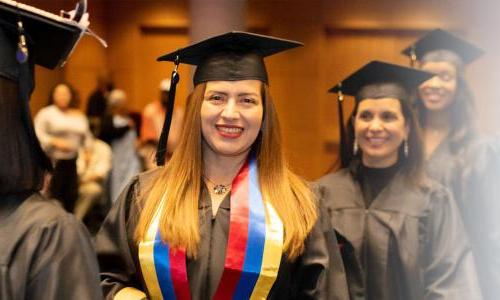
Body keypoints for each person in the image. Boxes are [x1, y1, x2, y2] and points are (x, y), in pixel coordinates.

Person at [96, 31, 345, 299]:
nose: (230, 113)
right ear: (196, 108)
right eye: (217, 97)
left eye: (247, 100)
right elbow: (103, 279)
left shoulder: (300, 204)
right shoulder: (144, 195)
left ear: (265, 114)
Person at [318, 61, 482, 299]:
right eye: (365, 116)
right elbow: (309, 281)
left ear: (406, 128)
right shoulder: (323, 194)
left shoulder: (433, 199)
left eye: (388, 117)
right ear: (354, 125)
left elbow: (452, 284)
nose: (375, 126)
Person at [0, 1, 103, 299]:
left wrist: (85, 158)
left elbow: (87, 141)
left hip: (67, 165)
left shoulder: (48, 235)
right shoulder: (48, 117)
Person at [402, 28, 500, 300]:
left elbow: (491, 229)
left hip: (465, 268)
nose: (434, 84)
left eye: (445, 77)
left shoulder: (480, 150)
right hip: (408, 262)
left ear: (459, 86)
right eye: (426, 76)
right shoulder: (403, 142)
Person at [34, 82, 92, 212]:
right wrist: (53, 141)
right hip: (53, 162)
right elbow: (37, 134)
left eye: (65, 94)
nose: (62, 97)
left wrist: (88, 150)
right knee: (53, 198)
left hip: (72, 162)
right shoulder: (46, 113)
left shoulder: (78, 115)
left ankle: (68, 227)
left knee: (71, 197)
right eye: (59, 94)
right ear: (53, 95)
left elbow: (87, 136)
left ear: (71, 96)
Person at [100, 89, 142, 202]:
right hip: (117, 156)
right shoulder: (109, 119)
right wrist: (126, 127)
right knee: (117, 183)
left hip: (131, 156)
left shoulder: (129, 118)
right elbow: (109, 134)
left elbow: (135, 136)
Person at [139, 78, 184, 169]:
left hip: (174, 156)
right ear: (161, 93)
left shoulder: (179, 112)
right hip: (154, 154)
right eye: (165, 93)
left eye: (170, 93)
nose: (167, 96)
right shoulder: (150, 110)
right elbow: (149, 137)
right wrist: (165, 149)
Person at [75, 137, 112, 221]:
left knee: (93, 190)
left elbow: (100, 174)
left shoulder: (103, 147)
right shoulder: (75, 144)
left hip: (88, 184)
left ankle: (75, 221)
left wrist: (82, 179)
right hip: (71, 183)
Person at [86, 71, 114, 136]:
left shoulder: (110, 92)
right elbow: (93, 114)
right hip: (98, 124)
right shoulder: (94, 96)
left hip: (106, 122)